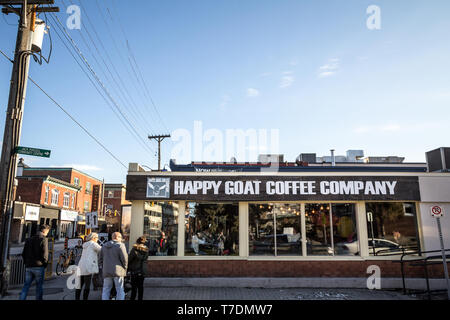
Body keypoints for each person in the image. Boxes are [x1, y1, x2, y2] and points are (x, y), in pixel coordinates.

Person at [20, 224, 50, 300]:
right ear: (45, 231)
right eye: (48, 231)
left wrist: (26, 263)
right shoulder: (44, 239)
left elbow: (23, 253)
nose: (48, 233)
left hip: (29, 266)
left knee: (26, 286)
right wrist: (45, 265)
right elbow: (45, 255)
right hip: (39, 267)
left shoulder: (29, 239)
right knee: (39, 287)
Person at [99, 232, 128, 300]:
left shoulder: (104, 245)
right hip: (118, 271)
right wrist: (125, 268)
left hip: (106, 271)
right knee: (120, 289)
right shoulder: (120, 245)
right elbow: (125, 259)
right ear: (118, 237)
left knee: (106, 289)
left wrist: (103, 267)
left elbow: (100, 259)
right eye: (121, 237)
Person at [75, 232, 101, 300]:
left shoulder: (85, 244)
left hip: (81, 266)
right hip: (88, 267)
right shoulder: (93, 244)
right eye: (97, 238)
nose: (97, 239)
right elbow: (102, 250)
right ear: (93, 238)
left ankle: (77, 298)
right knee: (87, 285)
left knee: (79, 285)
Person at [127, 236, 149, 300]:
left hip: (134, 270)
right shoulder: (146, 250)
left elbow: (129, 259)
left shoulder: (134, 250)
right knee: (141, 287)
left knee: (134, 287)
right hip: (142, 270)